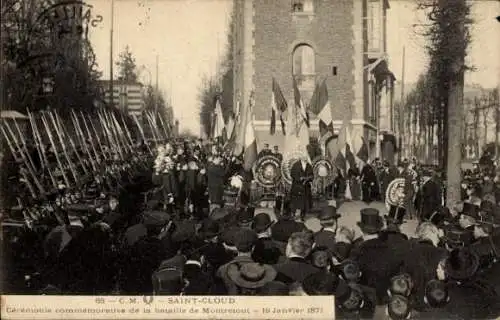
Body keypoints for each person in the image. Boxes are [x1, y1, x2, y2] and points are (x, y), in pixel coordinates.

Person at [289, 155, 313, 221]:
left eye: (306, 158)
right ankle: (292, 215)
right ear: (301, 158)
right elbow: (292, 174)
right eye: (304, 157)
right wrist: (299, 178)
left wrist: (308, 178)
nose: (305, 159)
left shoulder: (308, 165)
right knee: (295, 202)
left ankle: (302, 216)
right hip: (297, 187)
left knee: (305, 203)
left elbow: (312, 175)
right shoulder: (296, 165)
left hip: (306, 187)